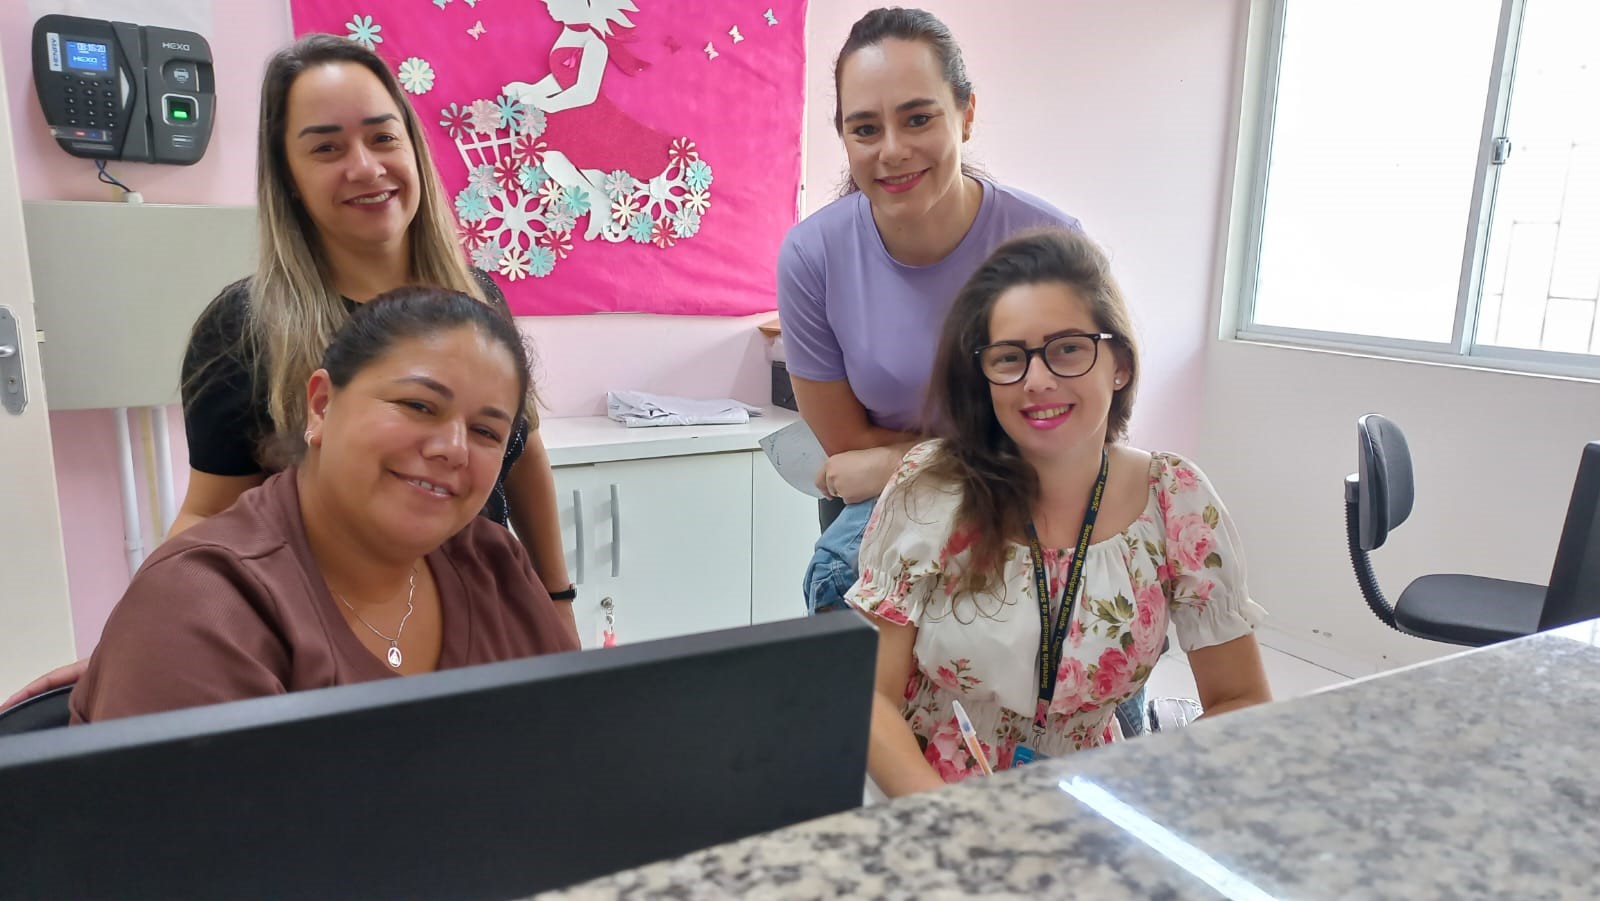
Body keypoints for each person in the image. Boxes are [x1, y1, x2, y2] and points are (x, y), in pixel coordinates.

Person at [4, 34, 578, 709]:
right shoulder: (247, 328)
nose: (365, 167)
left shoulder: (478, 303)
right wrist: (144, 634)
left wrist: (554, 599)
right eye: (326, 148)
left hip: (475, 622)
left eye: (382, 138)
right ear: (290, 177)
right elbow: (207, 512)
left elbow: (524, 453)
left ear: (413, 149)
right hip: (329, 640)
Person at [776, 8, 1148, 731]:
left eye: (918, 118)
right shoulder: (813, 256)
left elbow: (1078, 426)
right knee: (844, 589)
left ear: (966, 114)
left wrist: (897, 458)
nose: (892, 151)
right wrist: (917, 464)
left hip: (1043, 485)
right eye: (865, 128)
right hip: (896, 503)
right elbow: (847, 451)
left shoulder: (1048, 241)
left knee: (1085, 626)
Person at [851, 228, 1271, 796]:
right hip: (929, 794)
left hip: (1091, 797)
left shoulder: (1175, 500)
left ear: (1119, 364)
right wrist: (943, 819)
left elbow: (1240, 698)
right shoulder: (930, 489)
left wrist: (1157, 790)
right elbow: (871, 697)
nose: (1038, 380)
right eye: (1009, 358)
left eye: (1068, 348)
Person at [71, 289, 581, 723]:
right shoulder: (204, 607)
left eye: (486, 431)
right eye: (418, 405)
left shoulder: (493, 563)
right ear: (320, 405)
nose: (453, 448)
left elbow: (576, 748)